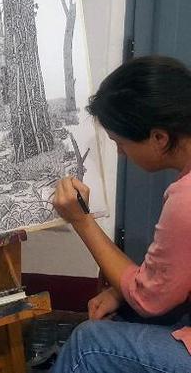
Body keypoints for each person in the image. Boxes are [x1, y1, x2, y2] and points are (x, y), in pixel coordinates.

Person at [50, 55, 191, 372]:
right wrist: (122, 292)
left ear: (159, 138)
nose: (120, 153)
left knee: (88, 345)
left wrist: (81, 220)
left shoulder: (186, 199)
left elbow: (147, 301)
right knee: (124, 311)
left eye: (120, 143)